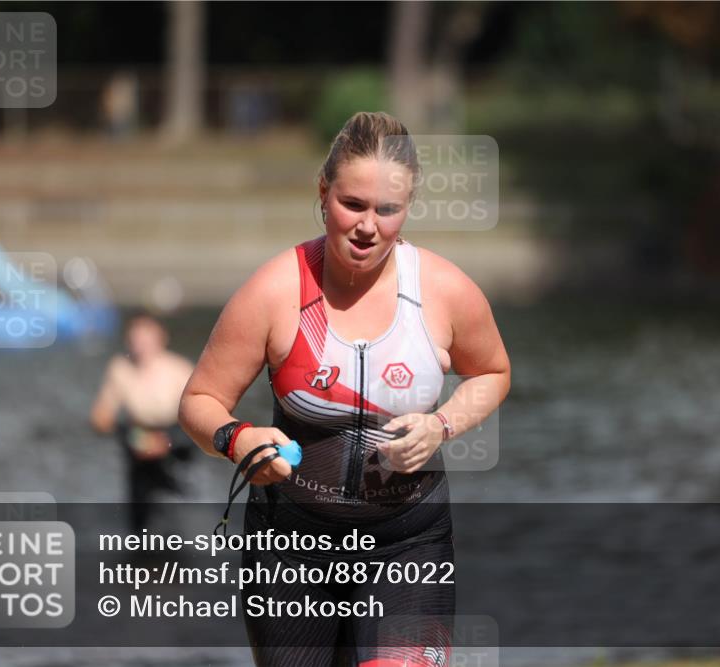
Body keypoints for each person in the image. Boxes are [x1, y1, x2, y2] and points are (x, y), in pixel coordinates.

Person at [179, 111, 511, 667]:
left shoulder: (444, 291)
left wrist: (442, 424)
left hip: (407, 541)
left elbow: (493, 373)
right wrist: (238, 440)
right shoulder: (274, 291)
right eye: (352, 205)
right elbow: (198, 402)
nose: (368, 226)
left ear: (408, 208)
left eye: (388, 210)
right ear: (323, 191)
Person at [91, 314, 196, 532]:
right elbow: (102, 416)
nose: (140, 346)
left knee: (174, 510)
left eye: (145, 340)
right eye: (135, 340)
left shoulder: (179, 369)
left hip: (175, 442)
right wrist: (125, 434)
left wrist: (166, 443)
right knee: (140, 517)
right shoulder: (121, 369)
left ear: (160, 339)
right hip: (136, 440)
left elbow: (198, 416)